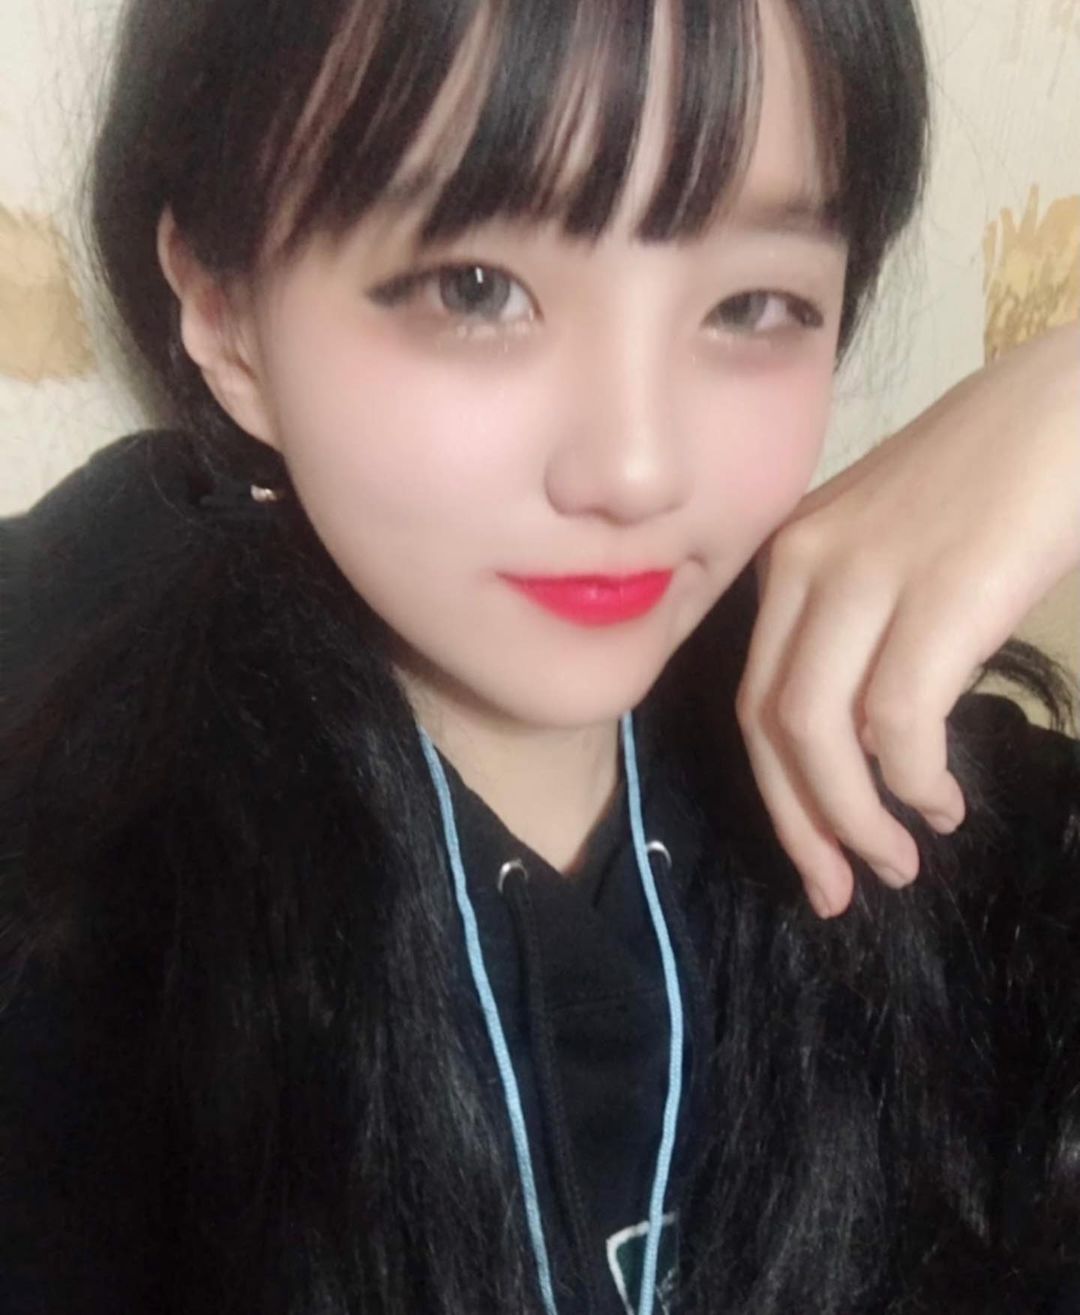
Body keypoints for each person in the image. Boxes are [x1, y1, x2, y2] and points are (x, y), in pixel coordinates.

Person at [1, 0, 1078, 1312]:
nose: (635, 468)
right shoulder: (76, 915)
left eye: (753, 304)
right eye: (476, 289)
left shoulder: (922, 806)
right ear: (229, 319)